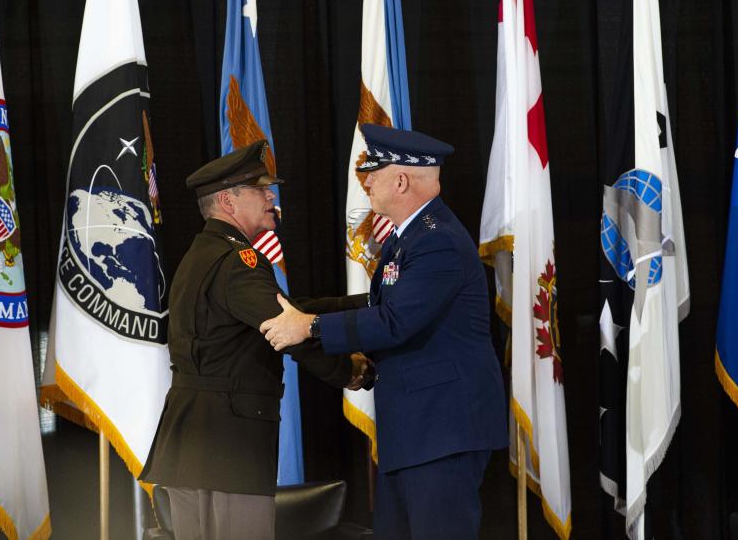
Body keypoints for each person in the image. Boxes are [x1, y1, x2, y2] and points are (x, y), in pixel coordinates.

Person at [260, 124, 508, 539]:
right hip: (417, 432)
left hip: (441, 431)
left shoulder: (437, 241)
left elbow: (395, 322)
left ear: (401, 179)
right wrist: (307, 309)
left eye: (373, 172)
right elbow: (381, 307)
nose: (366, 180)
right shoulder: (410, 238)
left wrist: (310, 326)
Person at [140, 140, 371, 540]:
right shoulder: (237, 262)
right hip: (228, 449)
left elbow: (287, 309)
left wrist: (366, 304)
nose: (270, 196)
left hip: (192, 443)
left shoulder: (204, 253)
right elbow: (285, 328)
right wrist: (349, 370)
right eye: (259, 189)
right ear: (229, 201)